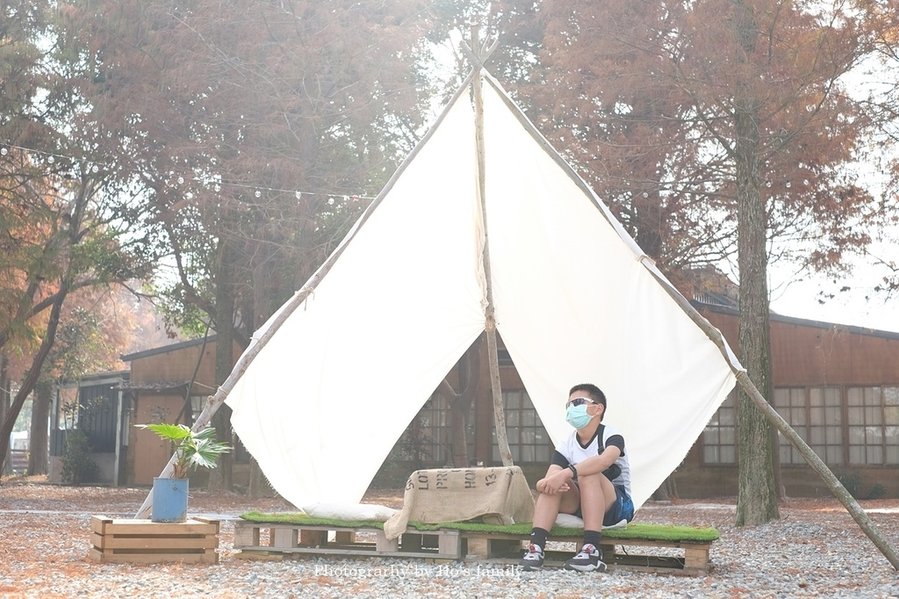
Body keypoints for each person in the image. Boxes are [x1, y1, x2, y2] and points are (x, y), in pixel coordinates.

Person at [520, 383, 634, 572]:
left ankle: (591, 550)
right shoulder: (567, 443)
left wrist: (566, 473)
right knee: (555, 484)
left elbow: (605, 461)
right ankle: (536, 548)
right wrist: (547, 483)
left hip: (616, 507)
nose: (572, 409)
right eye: (569, 405)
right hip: (583, 502)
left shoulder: (611, 435)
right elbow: (548, 478)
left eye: (578, 402)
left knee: (588, 474)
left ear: (598, 409)